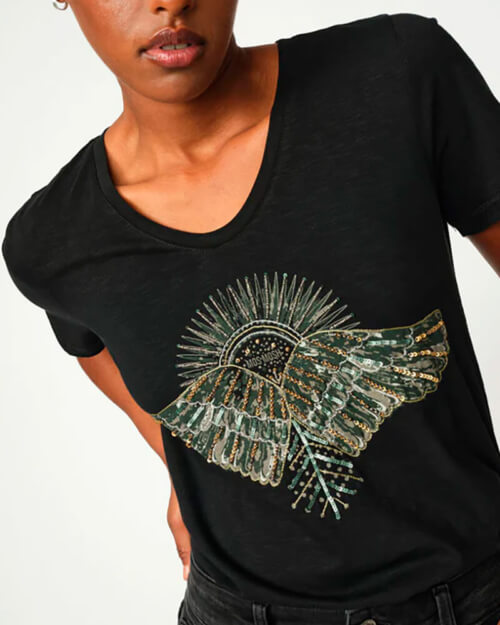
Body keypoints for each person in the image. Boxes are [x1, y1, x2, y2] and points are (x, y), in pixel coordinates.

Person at [2, 1, 500, 624]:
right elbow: (96, 347)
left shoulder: (398, 70)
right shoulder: (52, 241)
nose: (169, 2)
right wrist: (192, 459)